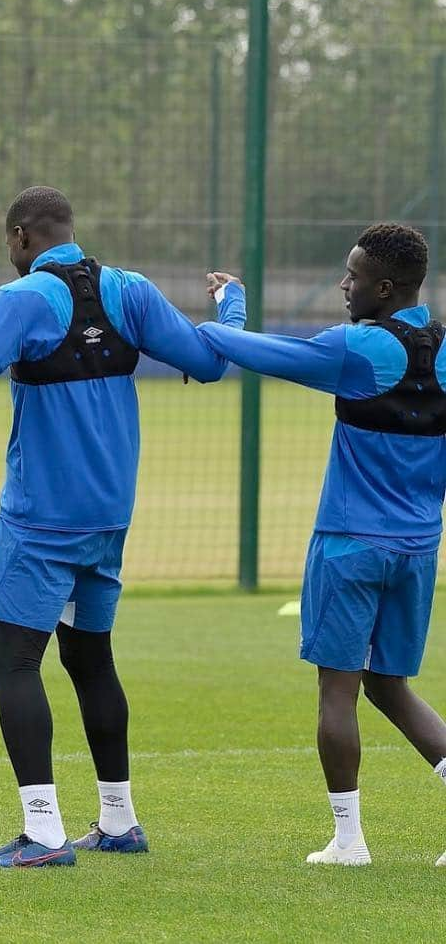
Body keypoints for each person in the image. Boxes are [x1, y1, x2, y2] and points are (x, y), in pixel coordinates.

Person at [0, 186, 246, 867]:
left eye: (9, 244)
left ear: (21, 238)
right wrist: (230, 302)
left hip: (40, 522)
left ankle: (42, 834)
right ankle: (119, 822)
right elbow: (211, 364)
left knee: (11, 660)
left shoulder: (23, 299)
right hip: (109, 519)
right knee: (90, 658)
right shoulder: (129, 290)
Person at [199, 223, 446, 868]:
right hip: (419, 550)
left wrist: (228, 307)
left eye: (354, 275)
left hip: (348, 547)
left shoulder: (358, 348)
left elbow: (255, 351)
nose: (344, 283)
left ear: (384, 288)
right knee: (390, 688)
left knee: (337, 693)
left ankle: (348, 841)